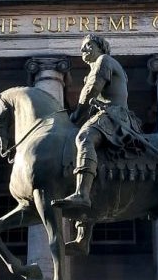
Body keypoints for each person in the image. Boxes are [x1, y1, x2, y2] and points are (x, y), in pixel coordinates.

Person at [53, 33, 142, 210]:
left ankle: (82, 194)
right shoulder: (101, 64)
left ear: (100, 47)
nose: (82, 49)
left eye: (88, 45)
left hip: (114, 115)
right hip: (109, 114)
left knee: (84, 137)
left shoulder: (104, 60)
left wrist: (75, 116)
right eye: (82, 47)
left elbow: (91, 91)